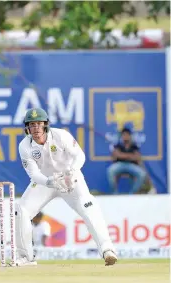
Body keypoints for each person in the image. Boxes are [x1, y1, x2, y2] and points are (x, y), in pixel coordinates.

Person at [13, 107, 117, 267]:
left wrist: (71, 172)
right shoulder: (24, 146)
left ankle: (107, 250)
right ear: (27, 127)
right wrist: (50, 182)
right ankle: (26, 257)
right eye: (31, 125)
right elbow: (34, 174)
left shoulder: (61, 136)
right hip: (45, 182)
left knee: (89, 207)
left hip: (70, 178)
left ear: (46, 124)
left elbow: (80, 156)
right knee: (21, 210)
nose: (35, 129)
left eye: (39, 124)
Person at [107, 128, 146, 194]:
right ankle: (115, 193)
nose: (125, 137)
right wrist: (130, 156)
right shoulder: (118, 145)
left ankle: (132, 193)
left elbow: (137, 157)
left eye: (127, 135)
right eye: (124, 135)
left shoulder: (134, 146)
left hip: (131, 165)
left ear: (130, 136)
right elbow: (117, 155)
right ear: (121, 136)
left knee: (142, 174)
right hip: (120, 164)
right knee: (110, 170)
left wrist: (122, 155)